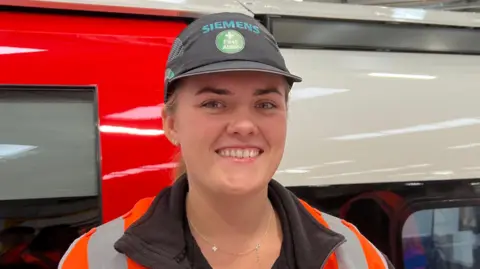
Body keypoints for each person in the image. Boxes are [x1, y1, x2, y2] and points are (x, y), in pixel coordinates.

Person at [58, 12, 395, 269]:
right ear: (171, 123)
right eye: (214, 104)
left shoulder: (353, 256)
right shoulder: (96, 259)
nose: (245, 125)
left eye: (265, 104)